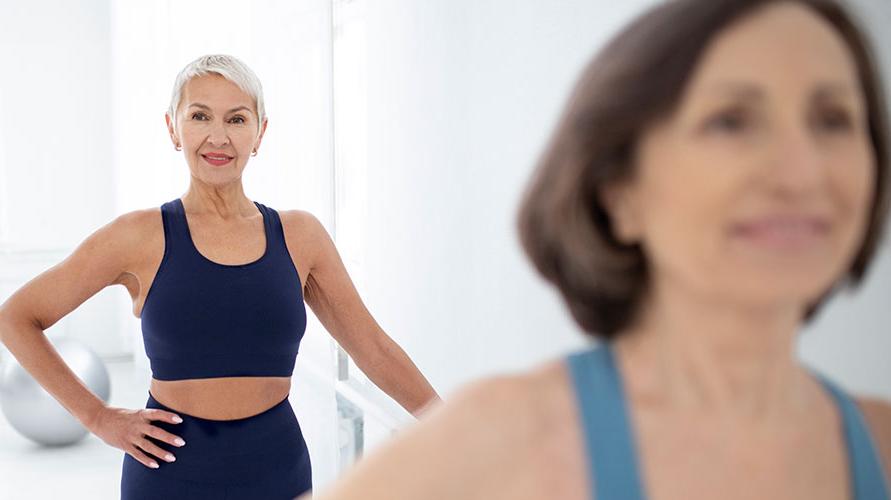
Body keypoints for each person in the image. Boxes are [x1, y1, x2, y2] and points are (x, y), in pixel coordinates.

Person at [308, 0, 890, 498]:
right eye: (732, 121)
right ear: (621, 192)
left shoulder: (880, 445)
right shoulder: (497, 443)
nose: (801, 171)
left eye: (833, 120)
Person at [0, 54, 440, 500]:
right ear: (173, 128)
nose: (218, 136)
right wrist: (98, 417)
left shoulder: (301, 236)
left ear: (260, 132)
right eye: (200, 116)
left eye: (237, 119)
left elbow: (374, 350)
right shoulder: (137, 236)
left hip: (277, 469)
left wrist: (454, 425)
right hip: (168, 472)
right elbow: (15, 318)